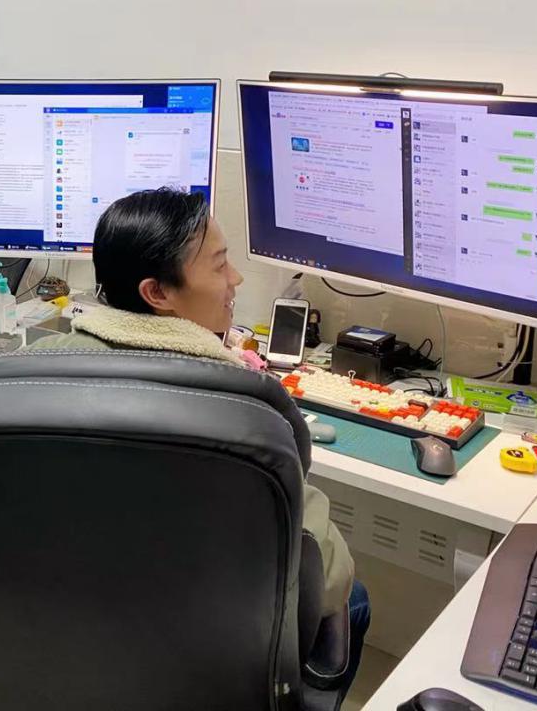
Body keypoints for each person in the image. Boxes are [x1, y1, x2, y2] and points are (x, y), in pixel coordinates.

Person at [30, 188, 371, 688]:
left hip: (51, 638)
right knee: (353, 598)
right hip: (197, 659)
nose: (235, 279)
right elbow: (329, 579)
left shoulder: (25, 376)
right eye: (219, 265)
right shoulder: (246, 415)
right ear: (157, 293)